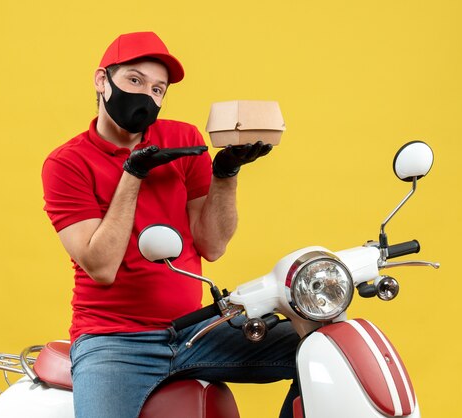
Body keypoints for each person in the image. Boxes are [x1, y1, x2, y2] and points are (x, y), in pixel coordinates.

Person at [42, 31, 299, 418]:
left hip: (195, 332)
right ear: (102, 81)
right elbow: (101, 266)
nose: (147, 96)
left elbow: (211, 245)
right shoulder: (67, 163)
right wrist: (134, 173)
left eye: (158, 89)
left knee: (320, 349)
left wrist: (225, 174)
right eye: (135, 81)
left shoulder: (182, 139)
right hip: (114, 343)